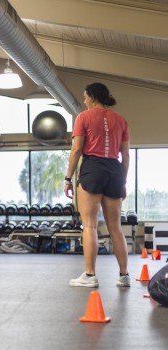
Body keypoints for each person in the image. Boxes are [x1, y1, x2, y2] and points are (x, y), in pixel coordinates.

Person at [64, 82, 130, 288]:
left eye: (85, 97)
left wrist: (68, 179)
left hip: (93, 168)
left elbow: (76, 150)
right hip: (115, 170)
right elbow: (125, 154)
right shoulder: (121, 120)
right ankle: (124, 275)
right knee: (115, 227)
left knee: (90, 225)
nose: (84, 101)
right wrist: (123, 181)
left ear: (92, 97)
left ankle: (90, 276)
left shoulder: (83, 117)